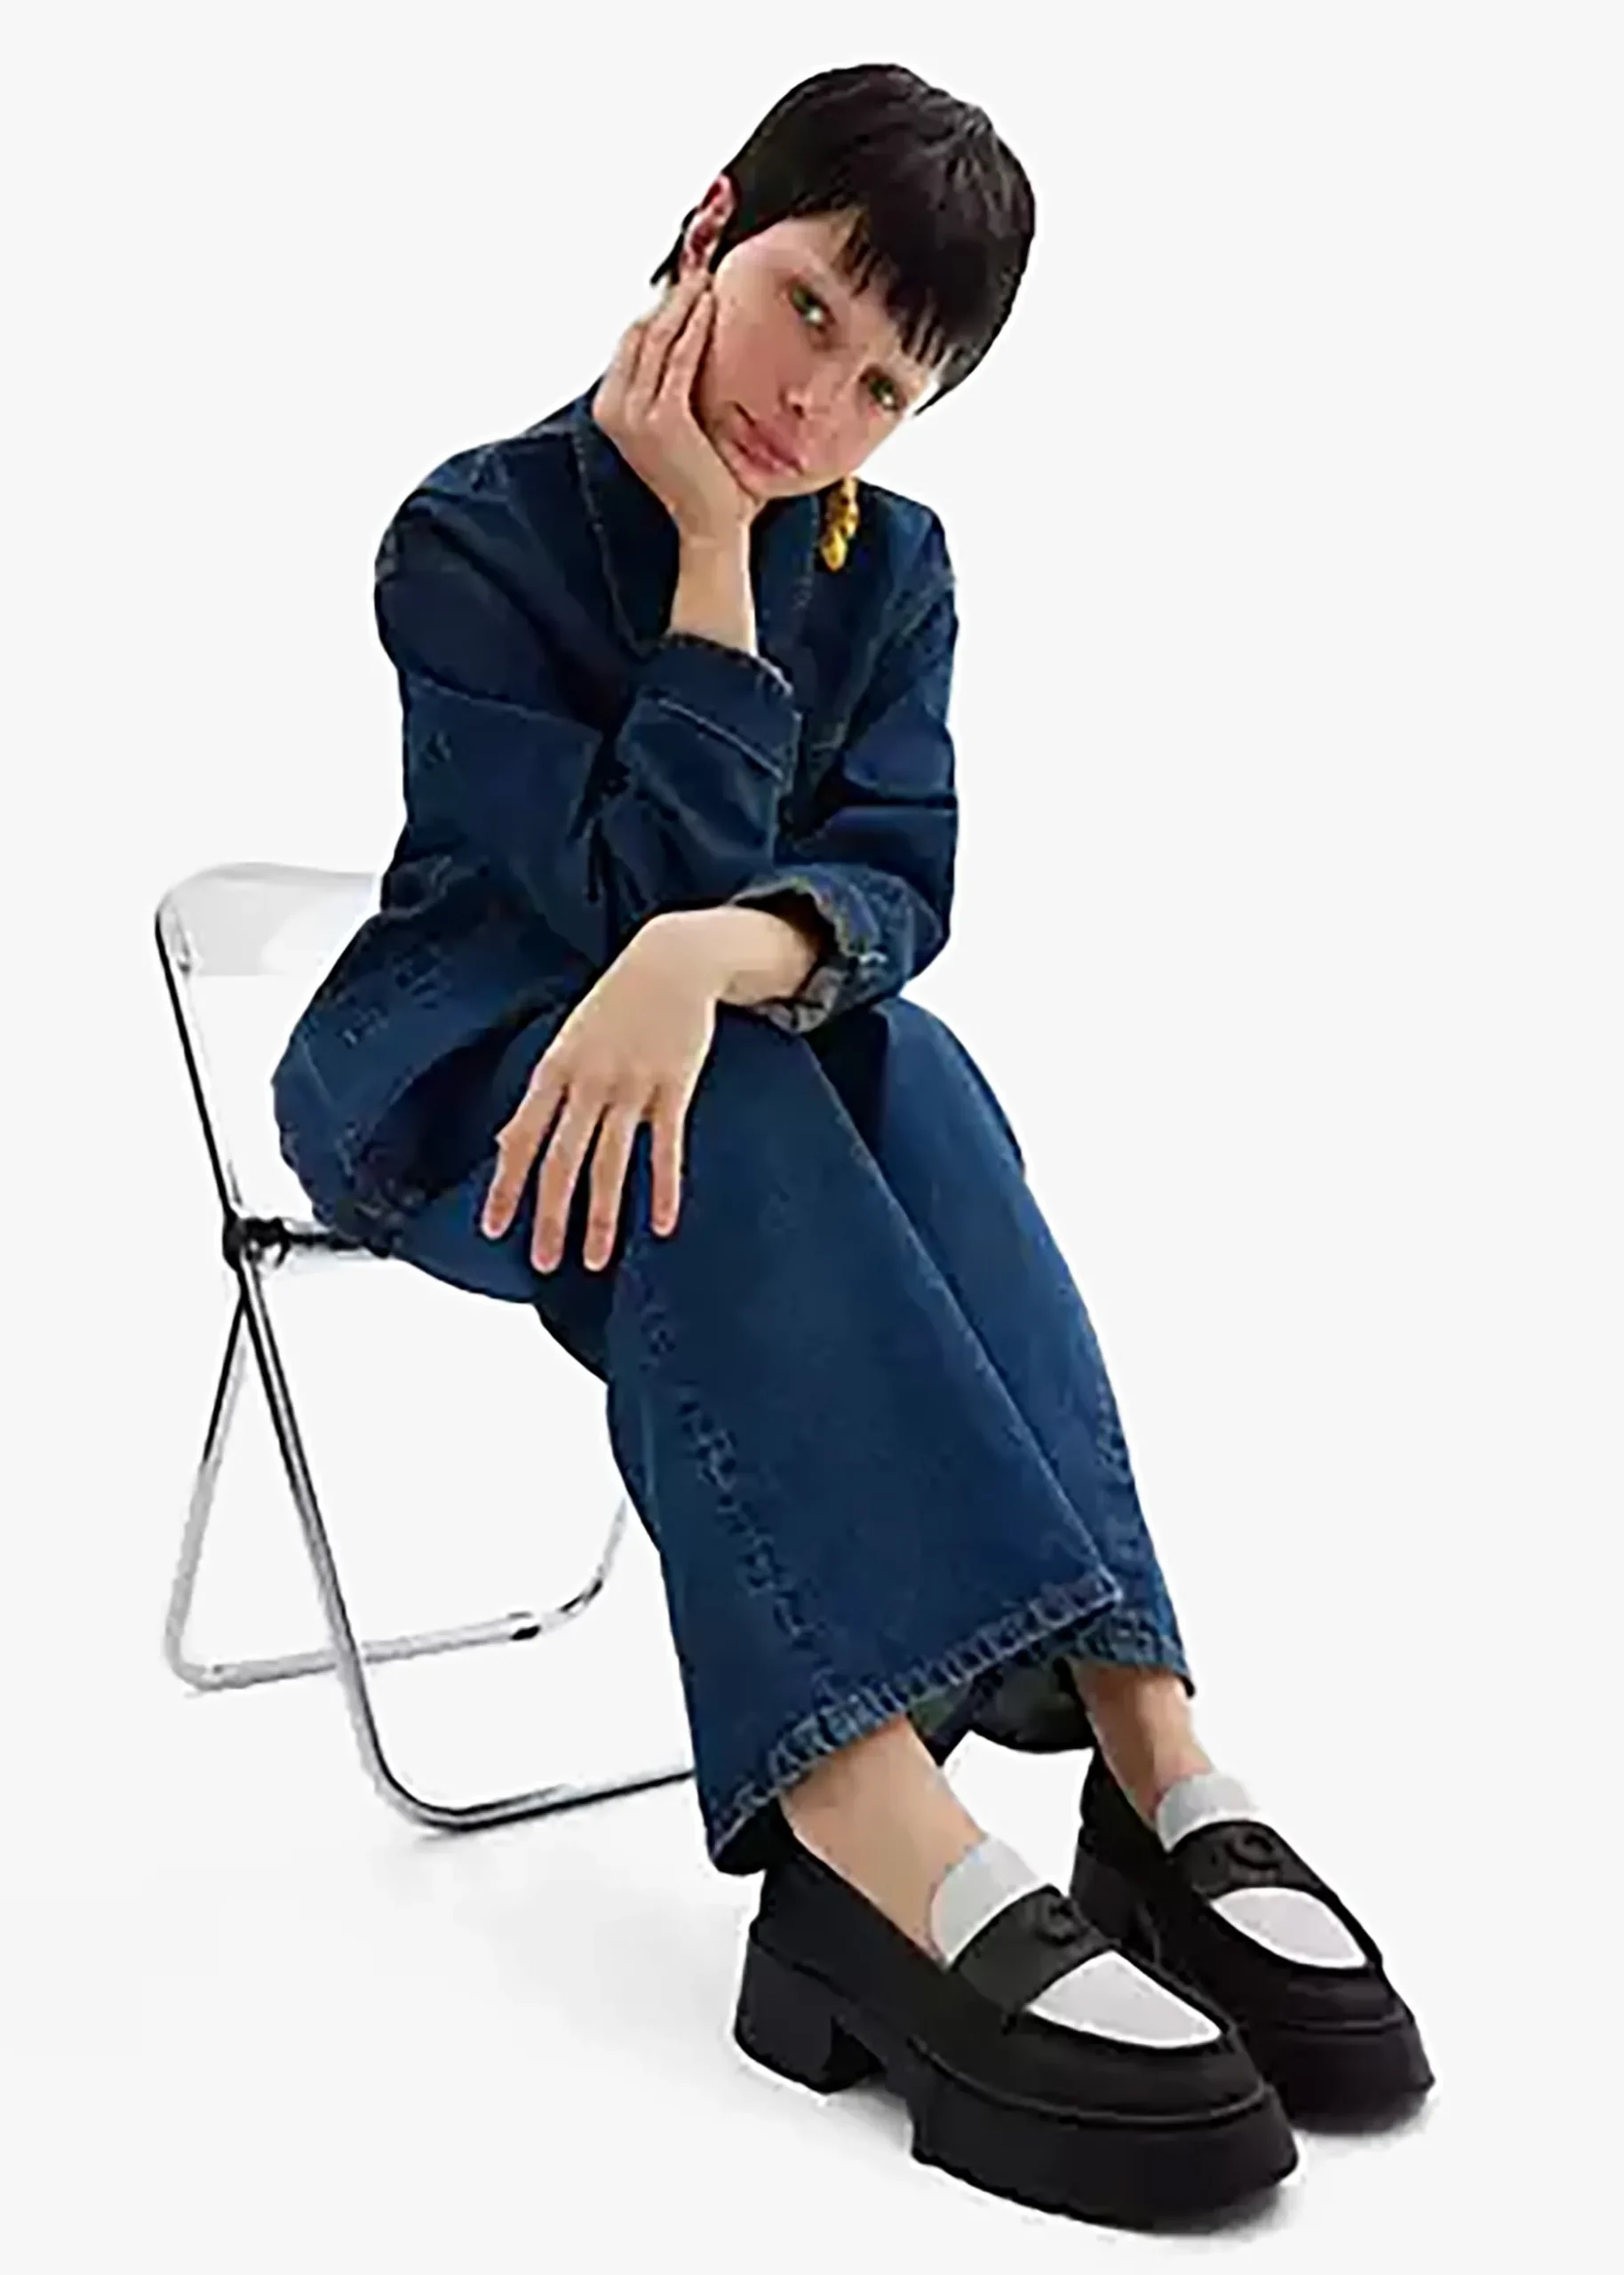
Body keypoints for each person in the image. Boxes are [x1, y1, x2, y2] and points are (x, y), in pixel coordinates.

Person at [273, 61, 1430, 2225]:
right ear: (712, 227)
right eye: (806, 306)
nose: (816, 407)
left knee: (919, 1071)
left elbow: (898, 872)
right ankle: (860, 1813)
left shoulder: (893, 567)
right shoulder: (475, 530)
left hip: (730, 1069)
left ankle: (1144, 1743)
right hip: (453, 1067)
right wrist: (710, 569)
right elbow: (586, 902)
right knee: (750, 1084)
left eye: (886, 384)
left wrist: (710, 950)